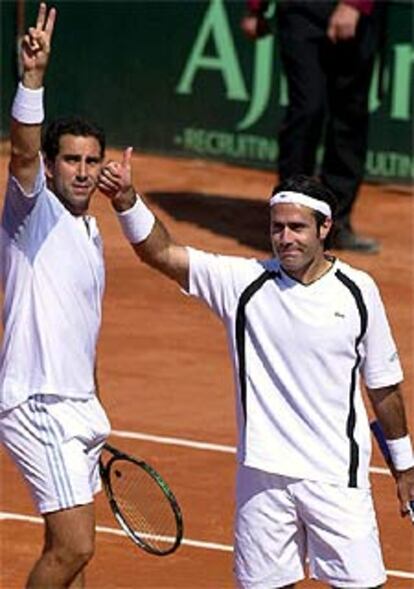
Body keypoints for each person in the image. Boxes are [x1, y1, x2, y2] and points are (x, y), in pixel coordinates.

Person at [98, 148, 414, 588]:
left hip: (336, 479)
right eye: (277, 227)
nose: (285, 238)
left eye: (298, 227)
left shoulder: (359, 292)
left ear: (325, 228)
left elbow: (384, 389)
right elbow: (163, 254)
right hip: (262, 478)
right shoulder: (244, 283)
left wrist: (405, 468)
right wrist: (127, 200)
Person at [0, 4, 110, 587]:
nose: (84, 171)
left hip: (77, 405)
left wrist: (95, 400)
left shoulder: (91, 234)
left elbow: (84, 332)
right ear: (50, 164)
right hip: (37, 400)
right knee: (75, 546)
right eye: (71, 159)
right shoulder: (30, 211)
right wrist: (32, 80)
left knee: (65, 547)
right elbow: (19, 150)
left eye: (93, 161)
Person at [241, 0, 386, 254]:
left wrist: (353, 5)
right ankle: (291, 219)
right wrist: (256, 7)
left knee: (349, 116)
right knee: (307, 110)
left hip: (359, 15)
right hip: (301, 9)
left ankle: (336, 224)